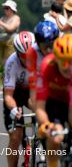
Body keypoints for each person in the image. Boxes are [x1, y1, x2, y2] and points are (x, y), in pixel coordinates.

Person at [35, 34, 72, 167]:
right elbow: (39, 107)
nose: (69, 67)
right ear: (56, 59)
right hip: (54, 102)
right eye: (65, 62)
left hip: (69, 100)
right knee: (55, 138)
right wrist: (46, 125)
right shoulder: (47, 66)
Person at [3, 31, 35, 167]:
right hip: (15, 94)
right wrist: (14, 109)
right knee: (15, 137)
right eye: (23, 56)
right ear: (17, 53)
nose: (27, 59)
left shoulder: (40, 58)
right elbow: (8, 95)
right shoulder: (12, 62)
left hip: (32, 91)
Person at [26, 21, 59, 107]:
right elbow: (33, 83)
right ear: (37, 43)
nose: (49, 50)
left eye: (51, 45)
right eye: (45, 46)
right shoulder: (32, 52)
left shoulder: (64, 47)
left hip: (62, 84)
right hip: (43, 84)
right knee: (32, 102)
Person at [0, 0, 21, 65]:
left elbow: (11, 28)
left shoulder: (16, 18)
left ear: (12, 9)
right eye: (4, 8)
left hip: (10, 41)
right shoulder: (3, 18)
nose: (5, 10)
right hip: (1, 42)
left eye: (7, 8)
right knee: (2, 62)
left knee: (9, 61)